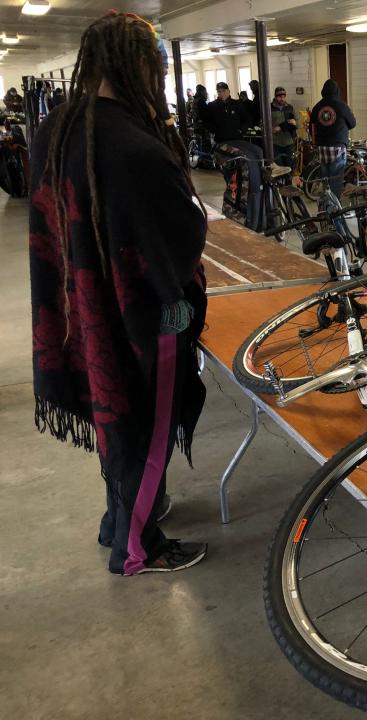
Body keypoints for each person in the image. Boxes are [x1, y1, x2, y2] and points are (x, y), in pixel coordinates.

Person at [28, 11, 208, 575]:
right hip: (145, 315)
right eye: (155, 68)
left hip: (78, 307)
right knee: (146, 424)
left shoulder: (56, 126)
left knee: (115, 423)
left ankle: (121, 516)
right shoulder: (137, 147)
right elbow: (180, 238)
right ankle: (137, 547)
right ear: (139, 68)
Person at [204, 81, 263, 229]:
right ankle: (234, 195)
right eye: (219, 91)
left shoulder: (237, 105)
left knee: (254, 154)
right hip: (222, 143)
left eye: (224, 91)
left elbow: (248, 118)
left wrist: (241, 130)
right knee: (233, 169)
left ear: (229, 91)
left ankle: (256, 184)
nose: (222, 94)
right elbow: (206, 122)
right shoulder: (212, 106)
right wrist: (216, 131)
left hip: (237, 140)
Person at [309, 79, 356, 198]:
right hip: (338, 148)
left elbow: (311, 129)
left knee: (326, 183)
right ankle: (335, 214)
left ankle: (325, 211)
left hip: (322, 149)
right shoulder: (342, 106)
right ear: (337, 91)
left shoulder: (317, 107)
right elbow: (353, 123)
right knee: (335, 183)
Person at [270, 86, 297, 168]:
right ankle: (281, 181)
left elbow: (297, 122)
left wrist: (295, 122)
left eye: (284, 96)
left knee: (290, 167)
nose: (282, 99)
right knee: (278, 168)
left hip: (289, 143)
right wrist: (271, 129)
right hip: (275, 144)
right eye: (279, 97)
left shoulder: (290, 107)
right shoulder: (269, 108)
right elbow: (262, 124)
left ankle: (289, 181)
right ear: (275, 96)